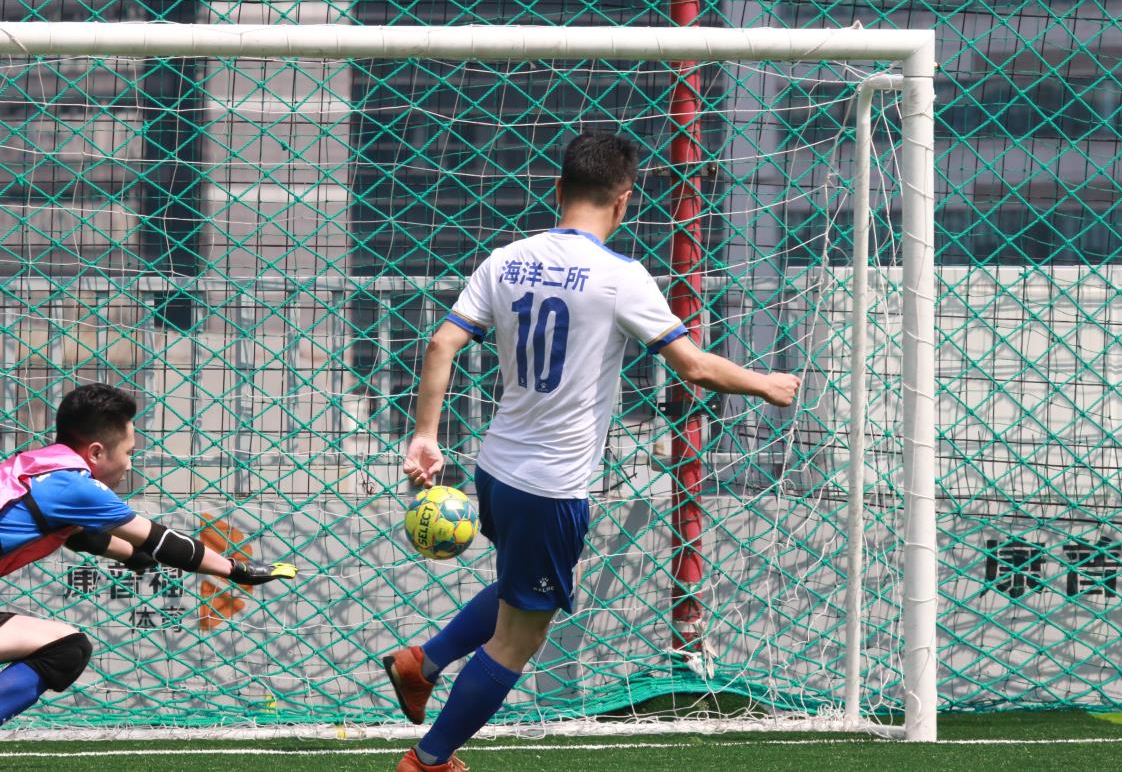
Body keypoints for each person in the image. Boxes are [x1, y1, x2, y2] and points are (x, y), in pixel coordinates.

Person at [384, 132, 801, 772]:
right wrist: (766, 382)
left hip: (495, 471)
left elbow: (440, 346)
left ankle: (425, 661)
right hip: (550, 486)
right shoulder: (619, 278)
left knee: (518, 589)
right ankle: (430, 760)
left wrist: (426, 436)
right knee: (522, 634)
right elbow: (693, 367)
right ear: (625, 202)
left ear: (558, 191)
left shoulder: (507, 259)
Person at [0, 382, 298, 725]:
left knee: (64, 643)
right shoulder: (74, 485)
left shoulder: (35, 468)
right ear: (97, 452)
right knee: (66, 648)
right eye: (128, 452)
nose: (129, 464)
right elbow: (163, 541)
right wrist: (236, 570)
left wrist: (132, 556)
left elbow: (85, 539)